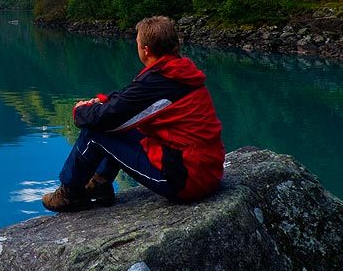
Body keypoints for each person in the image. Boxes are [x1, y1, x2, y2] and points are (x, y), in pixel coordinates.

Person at [42, 16, 225, 213]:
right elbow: (128, 100)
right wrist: (102, 101)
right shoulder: (177, 71)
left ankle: (70, 194)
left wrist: (80, 111)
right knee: (126, 126)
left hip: (186, 179)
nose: (136, 45)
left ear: (145, 49)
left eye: (137, 42)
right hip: (207, 170)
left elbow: (109, 118)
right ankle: (100, 185)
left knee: (94, 133)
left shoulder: (158, 80)